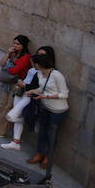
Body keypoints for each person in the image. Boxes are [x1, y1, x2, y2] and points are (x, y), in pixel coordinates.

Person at [25, 50, 69, 178]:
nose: (33, 66)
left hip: (58, 110)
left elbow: (64, 94)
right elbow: (41, 88)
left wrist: (45, 96)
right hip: (46, 107)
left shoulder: (56, 75)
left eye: (34, 64)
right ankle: (39, 154)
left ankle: (47, 158)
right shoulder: (39, 74)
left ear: (39, 64)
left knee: (51, 134)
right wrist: (32, 91)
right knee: (42, 132)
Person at [0, 46, 51, 152]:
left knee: (10, 116)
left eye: (43, 55)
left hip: (29, 94)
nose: (39, 56)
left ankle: (30, 122)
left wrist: (25, 85)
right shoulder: (33, 68)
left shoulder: (45, 71)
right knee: (15, 116)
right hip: (21, 92)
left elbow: (41, 87)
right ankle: (16, 142)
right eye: (38, 53)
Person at [0, 35, 32, 138]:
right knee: (1, 105)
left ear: (23, 46)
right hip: (7, 82)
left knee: (8, 107)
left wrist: (8, 67)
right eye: (14, 43)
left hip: (16, 84)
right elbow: (2, 63)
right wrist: (8, 54)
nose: (15, 45)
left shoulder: (26, 57)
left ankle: (0, 131)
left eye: (18, 44)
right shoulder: (13, 54)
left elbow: (15, 70)